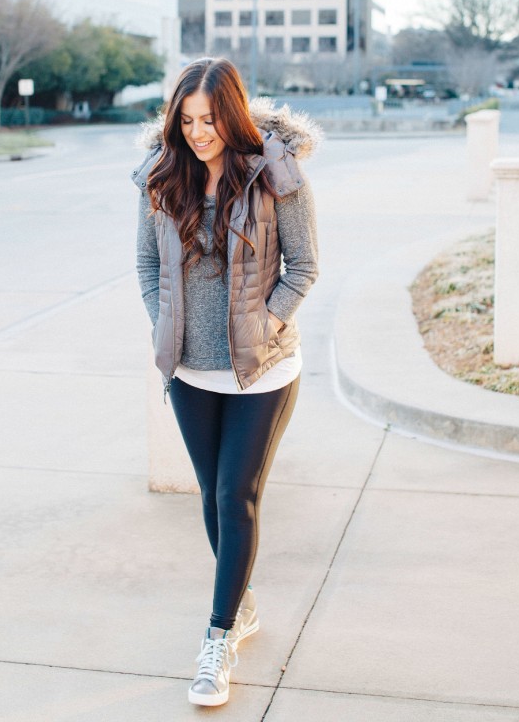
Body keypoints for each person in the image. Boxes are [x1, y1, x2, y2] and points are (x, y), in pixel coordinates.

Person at [132, 57, 319, 707]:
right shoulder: (161, 176)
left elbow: (304, 267)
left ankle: (218, 639)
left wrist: (264, 326)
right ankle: (238, 601)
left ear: (231, 114)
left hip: (262, 369)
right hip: (190, 370)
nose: (198, 132)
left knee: (237, 495)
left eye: (209, 119)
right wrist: (168, 329)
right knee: (212, 499)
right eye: (186, 121)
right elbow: (146, 265)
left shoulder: (274, 176)